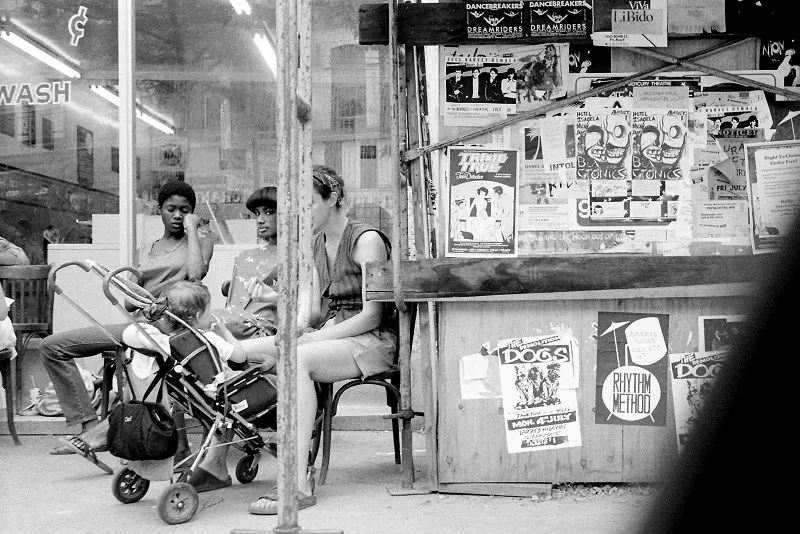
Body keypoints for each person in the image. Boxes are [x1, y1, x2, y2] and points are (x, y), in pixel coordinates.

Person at [41, 181, 214, 459]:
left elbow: (195, 275)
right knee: (53, 346)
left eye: (185, 210)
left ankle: (98, 436)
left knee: (149, 360)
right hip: (137, 324)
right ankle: (91, 427)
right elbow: (129, 300)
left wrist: (193, 229)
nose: (178, 215)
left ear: (193, 213)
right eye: (171, 209)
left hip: (170, 328)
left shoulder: (201, 240)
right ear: (160, 211)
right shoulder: (146, 249)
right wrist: (150, 299)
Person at [122, 281, 247, 399]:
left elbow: (129, 333)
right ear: (198, 316)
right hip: (226, 393)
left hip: (195, 395)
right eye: (208, 312)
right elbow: (240, 356)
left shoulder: (169, 344)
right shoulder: (208, 340)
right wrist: (224, 331)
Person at [219, 186, 280, 340]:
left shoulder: (296, 257)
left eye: (268, 212)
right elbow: (232, 306)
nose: (260, 220)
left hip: (263, 330)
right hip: (233, 325)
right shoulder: (245, 257)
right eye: (257, 213)